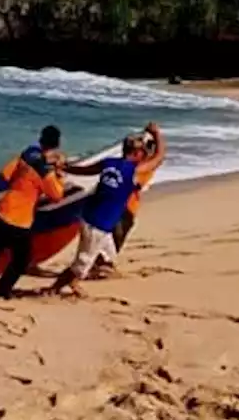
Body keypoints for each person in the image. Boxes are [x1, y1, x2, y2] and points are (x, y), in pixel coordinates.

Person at [48, 124, 166, 298]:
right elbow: (159, 158)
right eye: (142, 153)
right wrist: (157, 134)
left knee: (108, 257)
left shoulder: (108, 163)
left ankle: (76, 280)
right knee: (82, 262)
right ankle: (54, 289)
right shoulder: (132, 171)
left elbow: (85, 170)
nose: (144, 156)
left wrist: (66, 167)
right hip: (98, 225)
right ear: (137, 153)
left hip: (92, 218)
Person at [0, 126, 66, 299]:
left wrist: (22, 184)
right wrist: (58, 173)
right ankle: (1, 291)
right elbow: (57, 196)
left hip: (2, 210)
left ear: (40, 139)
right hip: (19, 220)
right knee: (22, 259)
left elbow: (0, 181)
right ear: (57, 145)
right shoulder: (45, 170)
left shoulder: (26, 155)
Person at [95, 128, 166, 274]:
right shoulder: (138, 168)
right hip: (122, 207)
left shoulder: (128, 166)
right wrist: (157, 134)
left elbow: (158, 157)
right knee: (114, 236)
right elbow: (159, 157)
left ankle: (102, 264)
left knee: (112, 237)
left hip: (123, 207)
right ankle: (102, 265)